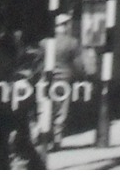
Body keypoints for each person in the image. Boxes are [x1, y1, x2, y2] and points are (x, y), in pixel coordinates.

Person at [40, 13, 89, 152]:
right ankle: (57, 139)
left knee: (46, 108)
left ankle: (43, 137)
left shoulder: (45, 42)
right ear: (66, 26)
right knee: (61, 111)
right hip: (64, 80)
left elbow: (38, 61)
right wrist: (83, 76)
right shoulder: (72, 42)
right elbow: (78, 64)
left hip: (47, 80)